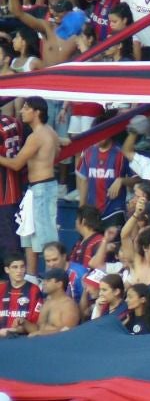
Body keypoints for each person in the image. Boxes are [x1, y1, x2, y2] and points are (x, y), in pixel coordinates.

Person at [0, 97, 59, 275]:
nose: (21, 111)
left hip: (42, 189)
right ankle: (32, 278)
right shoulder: (49, 132)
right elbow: (60, 148)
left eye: (26, 108)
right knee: (29, 238)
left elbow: (17, 164)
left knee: (46, 241)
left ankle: (56, 278)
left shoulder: (37, 136)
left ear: (37, 112)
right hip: (37, 189)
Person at [24, 268, 79, 336]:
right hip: (41, 343)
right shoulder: (46, 303)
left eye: (48, 281)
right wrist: (24, 323)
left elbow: (68, 332)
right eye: (44, 280)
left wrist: (41, 334)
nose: (44, 283)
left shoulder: (69, 306)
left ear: (59, 284)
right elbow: (38, 329)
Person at [0, 253, 43, 337]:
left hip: (22, 339)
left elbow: (37, 328)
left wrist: (22, 325)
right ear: (7, 270)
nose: (19, 271)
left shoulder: (34, 290)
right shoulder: (1, 289)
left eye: (22, 267)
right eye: (15, 267)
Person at [0, 114, 23, 261]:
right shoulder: (14, 122)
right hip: (15, 190)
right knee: (13, 244)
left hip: (3, 196)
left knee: (8, 247)